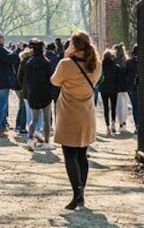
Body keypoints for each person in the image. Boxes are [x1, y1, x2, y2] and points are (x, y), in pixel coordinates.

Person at [51, 31, 101, 210]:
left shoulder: (65, 64)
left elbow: (55, 81)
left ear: (73, 45)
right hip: (86, 113)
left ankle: (77, 193)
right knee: (82, 154)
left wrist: (65, 58)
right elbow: (94, 82)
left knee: (69, 154)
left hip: (68, 113)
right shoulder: (96, 64)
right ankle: (81, 191)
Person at [19, 39, 54, 150]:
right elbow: (51, 78)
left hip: (32, 93)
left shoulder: (29, 63)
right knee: (46, 120)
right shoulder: (46, 62)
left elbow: (26, 78)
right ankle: (46, 142)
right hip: (45, 93)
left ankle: (30, 140)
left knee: (33, 119)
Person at [99, 49, 123, 135]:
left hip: (104, 89)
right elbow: (119, 79)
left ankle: (107, 126)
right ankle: (113, 124)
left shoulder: (101, 66)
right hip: (113, 89)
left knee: (106, 107)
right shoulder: (115, 67)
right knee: (113, 107)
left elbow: (98, 78)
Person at [114, 43, 130, 132]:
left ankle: (121, 123)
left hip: (118, 87)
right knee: (125, 105)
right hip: (126, 87)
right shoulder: (127, 62)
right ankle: (124, 122)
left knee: (119, 106)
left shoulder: (115, 62)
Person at [126, 45, 139, 133]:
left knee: (135, 107)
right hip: (142, 87)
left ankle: (137, 125)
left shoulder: (129, 62)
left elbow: (126, 74)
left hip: (131, 87)